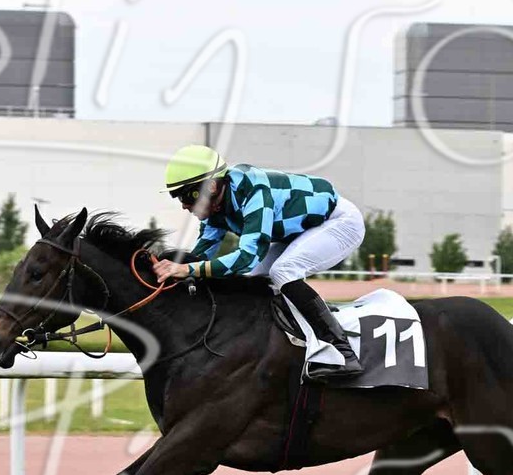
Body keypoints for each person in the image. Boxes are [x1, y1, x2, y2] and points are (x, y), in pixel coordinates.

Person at [152, 144, 366, 380]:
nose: (183, 205)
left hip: (340, 223)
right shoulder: (215, 208)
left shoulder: (253, 190)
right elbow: (201, 257)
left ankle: (342, 352)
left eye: (186, 196)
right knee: (252, 279)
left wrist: (187, 269)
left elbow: (246, 257)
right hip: (301, 231)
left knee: (283, 271)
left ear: (210, 186)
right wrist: (168, 268)